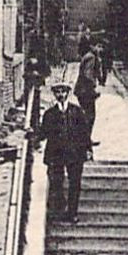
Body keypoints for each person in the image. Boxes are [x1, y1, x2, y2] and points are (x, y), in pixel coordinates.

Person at [38, 81, 92, 221]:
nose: (60, 95)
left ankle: (72, 213)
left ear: (67, 93)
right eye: (57, 92)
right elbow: (43, 133)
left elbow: (84, 132)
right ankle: (59, 209)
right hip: (56, 154)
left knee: (75, 183)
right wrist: (33, 133)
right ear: (54, 94)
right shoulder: (49, 114)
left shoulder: (77, 111)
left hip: (75, 153)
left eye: (63, 91)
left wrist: (88, 149)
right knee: (56, 181)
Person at [75, 39, 101, 135]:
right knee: (90, 116)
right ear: (92, 46)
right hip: (85, 91)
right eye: (98, 46)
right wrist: (92, 90)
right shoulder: (91, 57)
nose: (99, 49)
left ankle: (85, 140)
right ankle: (85, 141)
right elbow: (87, 75)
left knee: (86, 115)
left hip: (82, 90)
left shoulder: (88, 56)